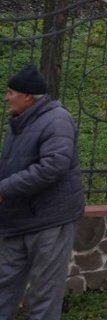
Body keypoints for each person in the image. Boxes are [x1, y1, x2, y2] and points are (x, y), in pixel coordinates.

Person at [0, 65, 84, 320]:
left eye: (10, 92)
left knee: (44, 293)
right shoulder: (20, 122)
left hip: (49, 220)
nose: (6, 97)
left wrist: (4, 189)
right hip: (18, 220)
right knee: (4, 286)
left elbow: (52, 166)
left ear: (28, 96)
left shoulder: (57, 119)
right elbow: (15, 163)